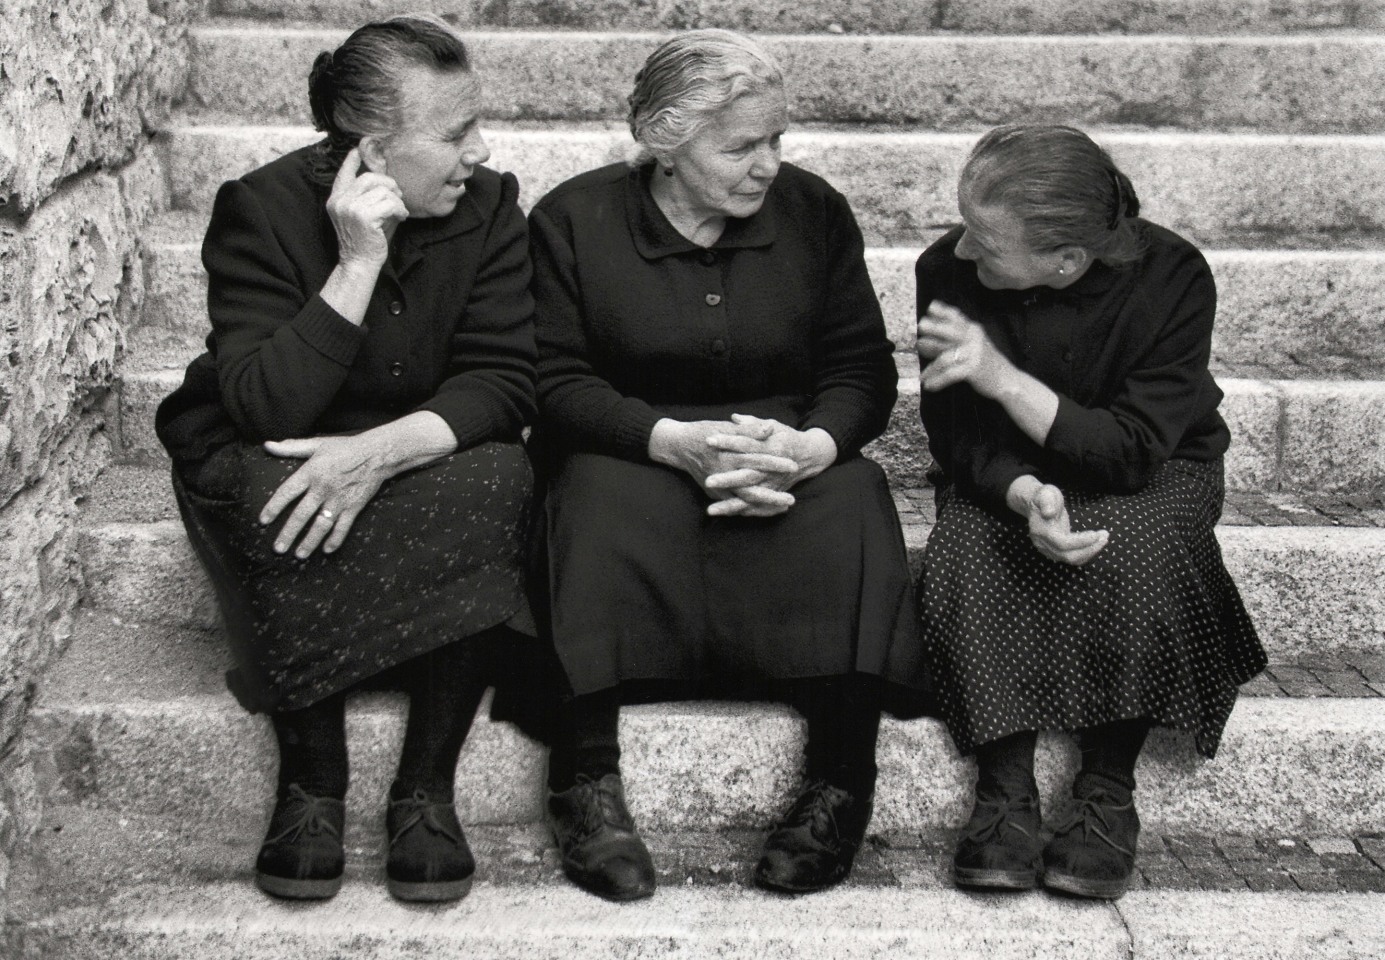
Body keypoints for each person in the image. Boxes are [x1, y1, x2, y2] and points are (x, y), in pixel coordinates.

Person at [526, 29, 926, 901]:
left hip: (781, 456)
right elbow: (552, 379)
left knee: (856, 495)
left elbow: (859, 366)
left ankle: (838, 783)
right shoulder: (573, 219)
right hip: (634, 453)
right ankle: (584, 781)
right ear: (665, 145)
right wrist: (668, 440)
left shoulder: (814, 212)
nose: (768, 165)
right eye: (741, 145)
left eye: (777, 139)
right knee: (585, 496)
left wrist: (812, 447)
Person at [153, 15, 538, 903]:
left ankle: (424, 792)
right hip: (278, 444)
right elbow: (263, 405)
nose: (479, 150)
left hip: (412, 447)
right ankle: (312, 782)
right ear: (372, 146)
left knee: (501, 475)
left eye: (476, 126)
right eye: (453, 135)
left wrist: (378, 452)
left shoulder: (488, 206)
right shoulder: (261, 206)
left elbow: (507, 380)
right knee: (267, 482)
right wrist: (358, 262)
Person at [913, 124, 1267, 900]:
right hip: (1005, 470)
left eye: (985, 239)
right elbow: (957, 435)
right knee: (969, 543)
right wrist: (1020, 492)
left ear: (1066, 260)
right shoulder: (946, 266)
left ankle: (1106, 789)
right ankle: (1004, 788)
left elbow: (1134, 451)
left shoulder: (1172, 274)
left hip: (1155, 465)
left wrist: (1004, 379)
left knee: (1139, 542)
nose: (963, 251)